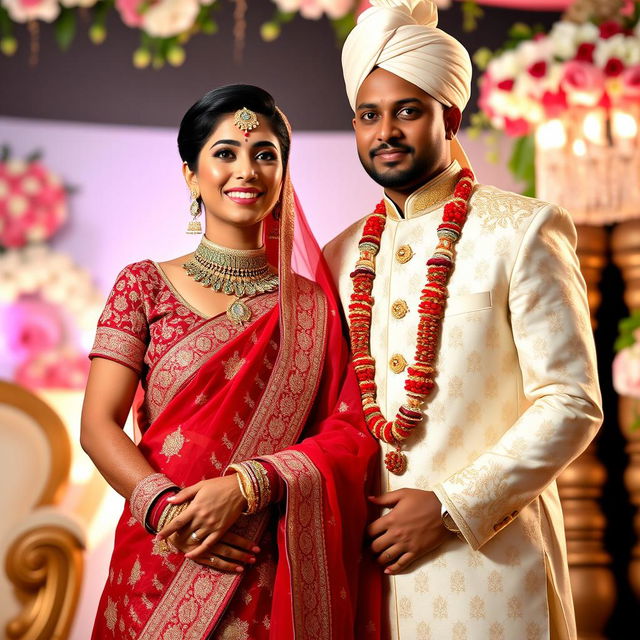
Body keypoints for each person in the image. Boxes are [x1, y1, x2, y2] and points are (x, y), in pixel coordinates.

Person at [323, 1, 603, 638]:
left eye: (407, 111)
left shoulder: (522, 230)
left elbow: (571, 402)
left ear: (450, 116)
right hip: (369, 578)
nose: (385, 131)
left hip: (492, 569)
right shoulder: (339, 258)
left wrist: (449, 507)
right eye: (369, 115)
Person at [81, 84, 384, 640]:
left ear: (283, 174)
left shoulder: (313, 306)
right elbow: (99, 426)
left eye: (265, 154)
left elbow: (347, 432)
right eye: (225, 153)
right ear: (191, 175)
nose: (246, 169)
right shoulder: (141, 286)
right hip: (162, 554)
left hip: (265, 560)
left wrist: (250, 485)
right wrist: (172, 513)